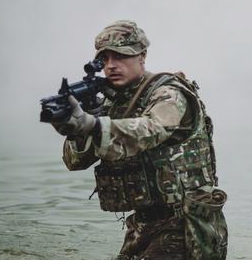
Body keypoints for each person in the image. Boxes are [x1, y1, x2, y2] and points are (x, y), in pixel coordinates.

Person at [50, 20, 228, 260]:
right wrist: (78, 129)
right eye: (105, 59)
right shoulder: (112, 103)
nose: (111, 66)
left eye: (121, 57)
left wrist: (93, 125)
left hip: (184, 224)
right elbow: (75, 162)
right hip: (142, 225)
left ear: (142, 56)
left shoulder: (168, 93)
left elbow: (150, 129)